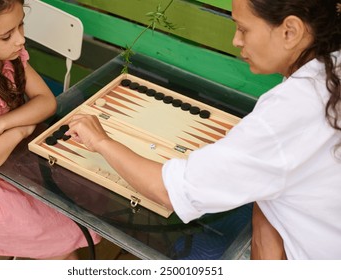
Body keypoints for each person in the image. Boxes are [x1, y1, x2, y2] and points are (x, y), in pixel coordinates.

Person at [65, 0, 341, 260]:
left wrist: (101, 141)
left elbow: (169, 191)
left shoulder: (285, 115)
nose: (236, 40)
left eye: (243, 28)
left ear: (290, 31)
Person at [0, 0, 100, 259]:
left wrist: (1, 123)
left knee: (85, 192)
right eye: (7, 35)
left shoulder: (5, 54)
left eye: (21, 25)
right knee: (61, 233)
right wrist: (19, 131)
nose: (21, 40)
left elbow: (46, 101)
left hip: (12, 159)